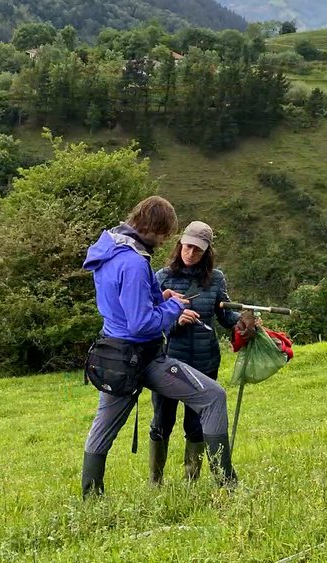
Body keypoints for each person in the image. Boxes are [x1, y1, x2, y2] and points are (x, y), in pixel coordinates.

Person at [80, 197, 238, 497]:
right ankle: (228, 487)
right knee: (213, 396)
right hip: (144, 357)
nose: (166, 240)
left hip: (113, 358)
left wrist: (157, 298)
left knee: (102, 432)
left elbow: (124, 305)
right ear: (154, 228)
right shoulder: (135, 262)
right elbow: (141, 324)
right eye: (166, 234)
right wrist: (173, 308)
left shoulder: (109, 251)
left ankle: (90, 497)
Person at [150, 221, 251, 485]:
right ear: (179, 243)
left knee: (195, 424)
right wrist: (176, 320)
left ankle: (191, 481)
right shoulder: (162, 278)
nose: (191, 253)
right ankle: (155, 481)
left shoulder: (216, 279)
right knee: (162, 420)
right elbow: (150, 321)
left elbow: (225, 314)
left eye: (198, 249)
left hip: (205, 361)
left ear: (206, 252)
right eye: (188, 246)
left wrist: (243, 319)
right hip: (169, 362)